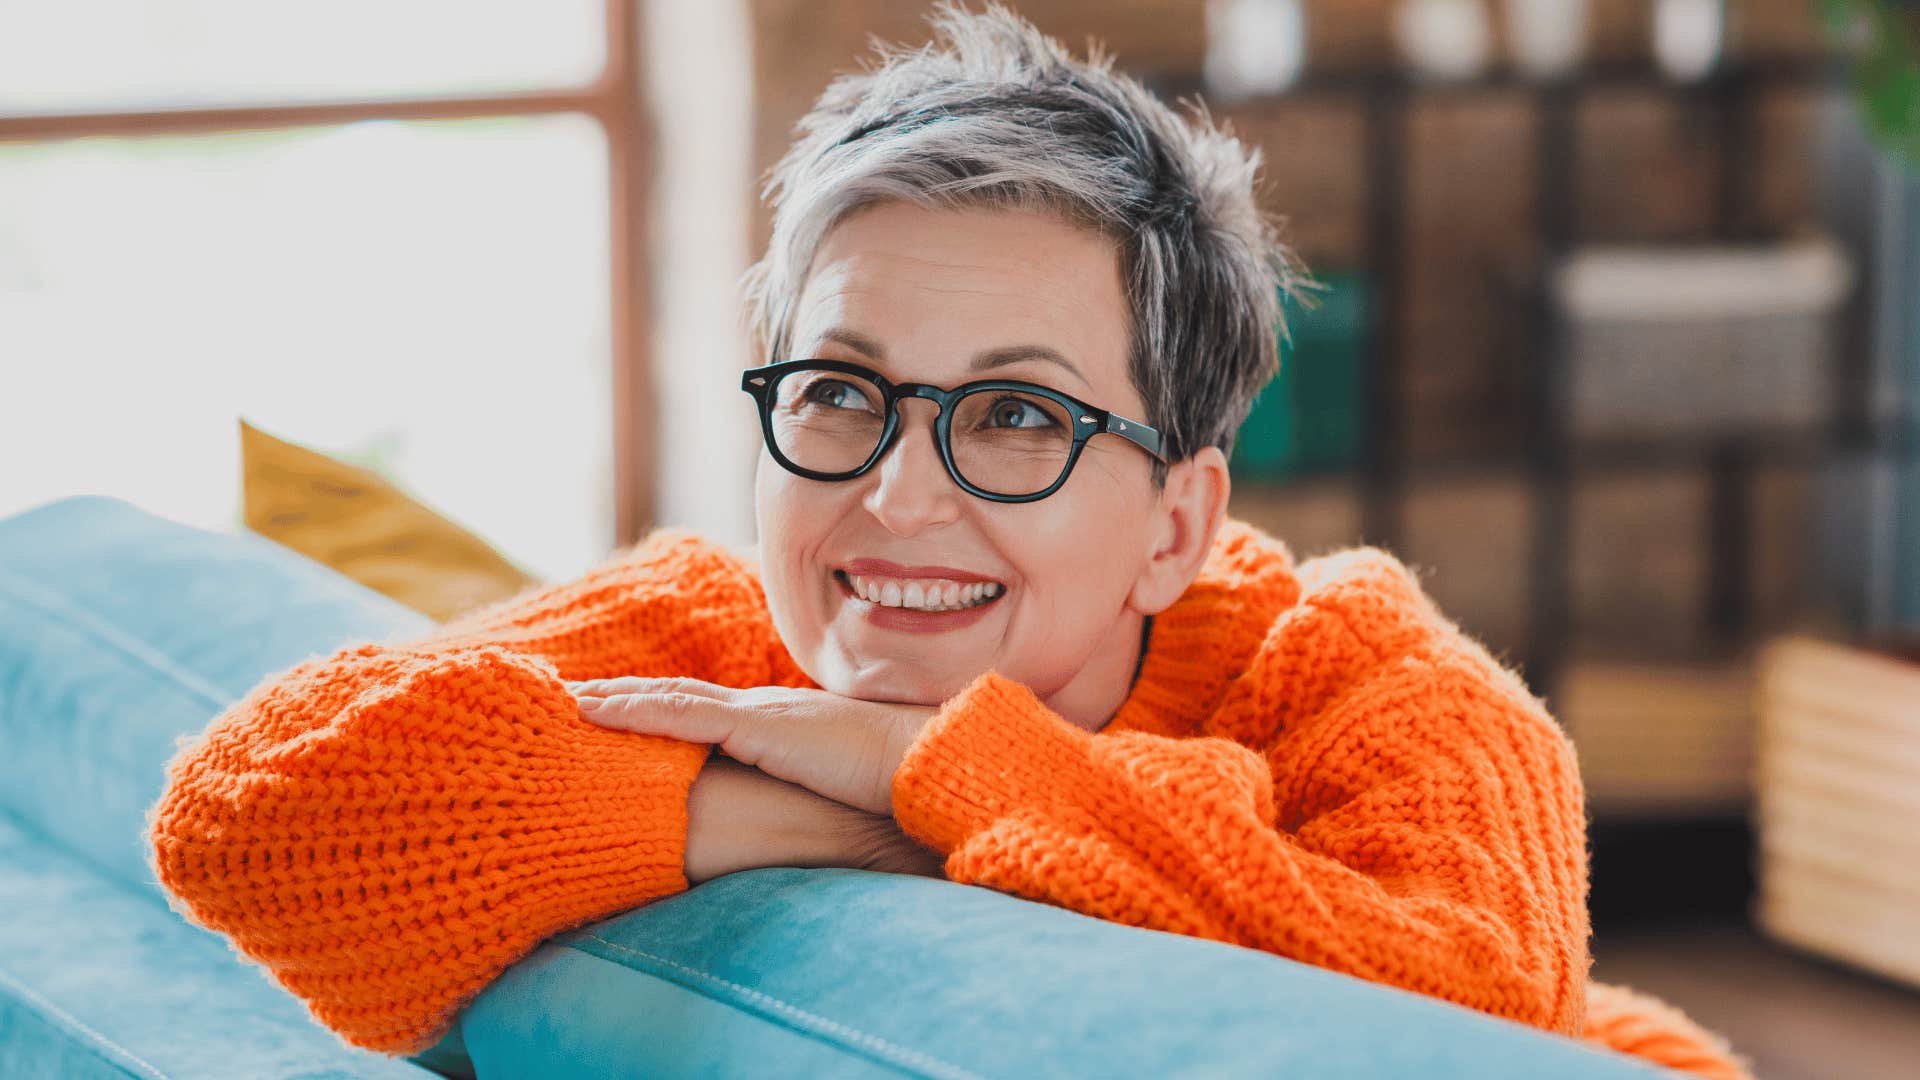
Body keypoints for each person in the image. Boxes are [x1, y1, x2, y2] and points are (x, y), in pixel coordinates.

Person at [147, 4, 1752, 1077]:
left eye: (1014, 418)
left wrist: (928, 773)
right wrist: (812, 810)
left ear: (1174, 524)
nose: (899, 497)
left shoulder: (1377, 687)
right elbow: (244, 819)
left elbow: (1471, 1021)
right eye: (843, 391)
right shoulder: (712, 633)